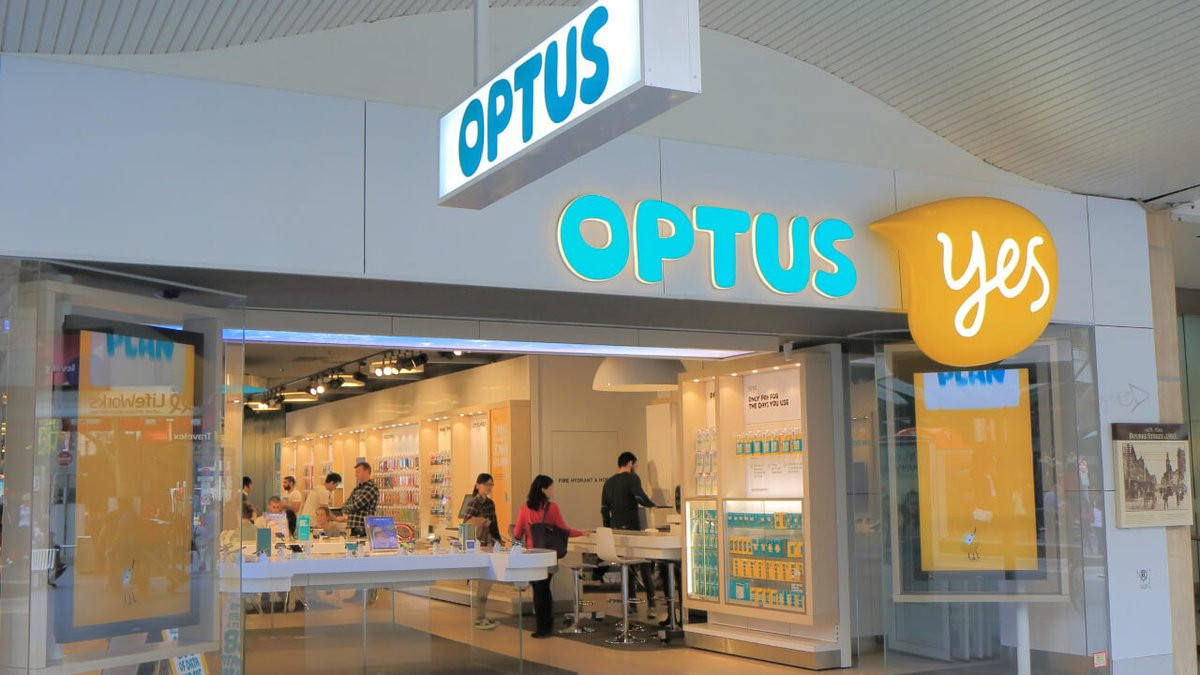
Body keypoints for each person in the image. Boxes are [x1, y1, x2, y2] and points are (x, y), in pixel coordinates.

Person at [513, 475, 584, 638]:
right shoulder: (552, 508)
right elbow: (563, 530)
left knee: (538, 589)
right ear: (543, 489)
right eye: (551, 487)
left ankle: (542, 626)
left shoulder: (525, 508)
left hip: (532, 556)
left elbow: (517, 533)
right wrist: (581, 533)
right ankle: (546, 625)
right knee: (544, 588)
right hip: (548, 556)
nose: (553, 491)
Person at [601, 451, 659, 618]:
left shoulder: (608, 483)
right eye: (635, 464)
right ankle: (652, 605)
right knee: (644, 565)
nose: (635, 467)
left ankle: (632, 605)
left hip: (616, 531)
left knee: (627, 568)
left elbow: (604, 509)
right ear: (630, 463)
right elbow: (639, 497)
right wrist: (653, 505)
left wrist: (609, 530)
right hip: (632, 529)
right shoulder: (632, 478)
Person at [463, 473, 503, 630]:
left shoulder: (490, 503)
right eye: (486, 484)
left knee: (486, 582)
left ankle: (481, 616)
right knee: (483, 582)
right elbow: (466, 526)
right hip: (478, 548)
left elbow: (495, 525)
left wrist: (498, 541)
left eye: (491, 484)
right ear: (477, 485)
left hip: (489, 546)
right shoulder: (473, 503)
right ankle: (480, 617)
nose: (489, 487)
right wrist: (481, 522)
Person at [341, 462, 379, 537]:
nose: (356, 474)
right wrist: (348, 506)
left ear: (366, 472)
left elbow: (356, 505)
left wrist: (349, 506)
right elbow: (344, 506)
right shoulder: (357, 488)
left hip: (363, 529)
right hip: (353, 528)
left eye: (358, 472)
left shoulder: (371, 487)